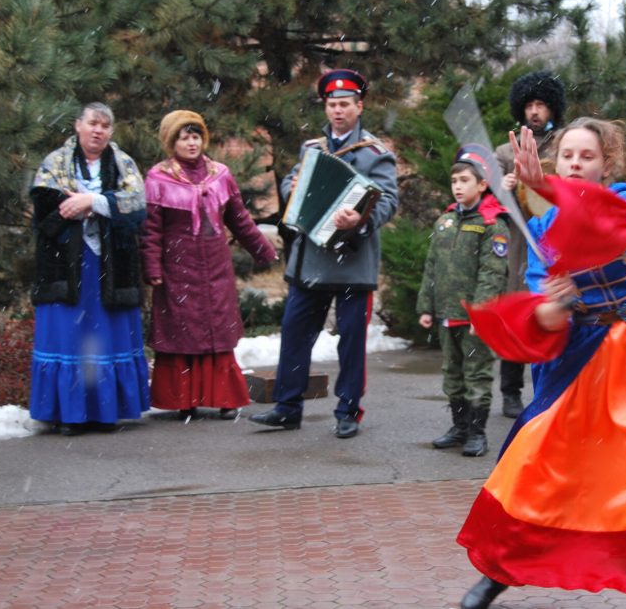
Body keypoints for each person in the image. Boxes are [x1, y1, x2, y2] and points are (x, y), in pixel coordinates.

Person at [457, 119, 626, 609]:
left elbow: (605, 224)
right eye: (567, 156)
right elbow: (544, 315)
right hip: (580, 365)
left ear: (607, 164)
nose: (576, 164)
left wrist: (542, 188)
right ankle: (494, 577)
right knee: (533, 473)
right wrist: (555, 305)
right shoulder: (540, 229)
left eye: (587, 156)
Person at [250, 69, 398, 439]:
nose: (338, 111)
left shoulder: (376, 154)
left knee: (351, 342)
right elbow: (292, 181)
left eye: (345, 104)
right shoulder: (313, 148)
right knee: (295, 334)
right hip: (311, 260)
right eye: (332, 105)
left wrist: (359, 218)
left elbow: (388, 201)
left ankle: (348, 410)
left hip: (353, 261)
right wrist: (297, 188)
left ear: (359, 107)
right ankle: (287, 407)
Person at [141, 110, 277, 420]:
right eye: (184, 138)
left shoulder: (220, 175)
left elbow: (240, 220)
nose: (191, 143)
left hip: (216, 267)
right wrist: (152, 268)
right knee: (182, 334)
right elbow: (151, 230)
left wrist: (264, 252)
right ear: (171, 142)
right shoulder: (158, 178)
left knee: (219, 333)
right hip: (177, 269)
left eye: (196, 136)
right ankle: (185, 399)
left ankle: (225, 398)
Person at [29, 102, 150, 436]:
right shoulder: (55, 162)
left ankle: (105, 411)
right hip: (66, 265)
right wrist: (76, 207)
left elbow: (138, 206)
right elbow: (44, 211)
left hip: (111, 265)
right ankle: (70, 413)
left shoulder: (123, 163)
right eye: (93, 123)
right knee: (70, 336)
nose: (98, 130)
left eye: (105, 125)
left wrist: (95, 201)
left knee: (105, 336)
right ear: (78, 125)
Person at [417, 146, 510, 457]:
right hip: (447, 313)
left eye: (465, 180)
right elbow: (432, 266)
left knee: (477, 373)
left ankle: (477, 432)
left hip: (474, 318)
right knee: (452, 373)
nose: (457, 186)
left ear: (482, 185)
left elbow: (492, 274)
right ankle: (459, 427)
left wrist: (480, 313)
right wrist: (426, 307)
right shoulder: (445, 222)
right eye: (454, 180)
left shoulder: (491, 224)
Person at [491, 70, 566, 418]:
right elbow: (487, 198)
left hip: (555, 242)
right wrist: (503, 186)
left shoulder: (563, 146)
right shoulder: (505, 151)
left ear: (552, 108)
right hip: (519, 244)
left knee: (554, 313)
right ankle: (510, 391)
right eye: (529, 105)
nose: (535, 112)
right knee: (517, 315)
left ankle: (553, 389)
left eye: (541, 105)